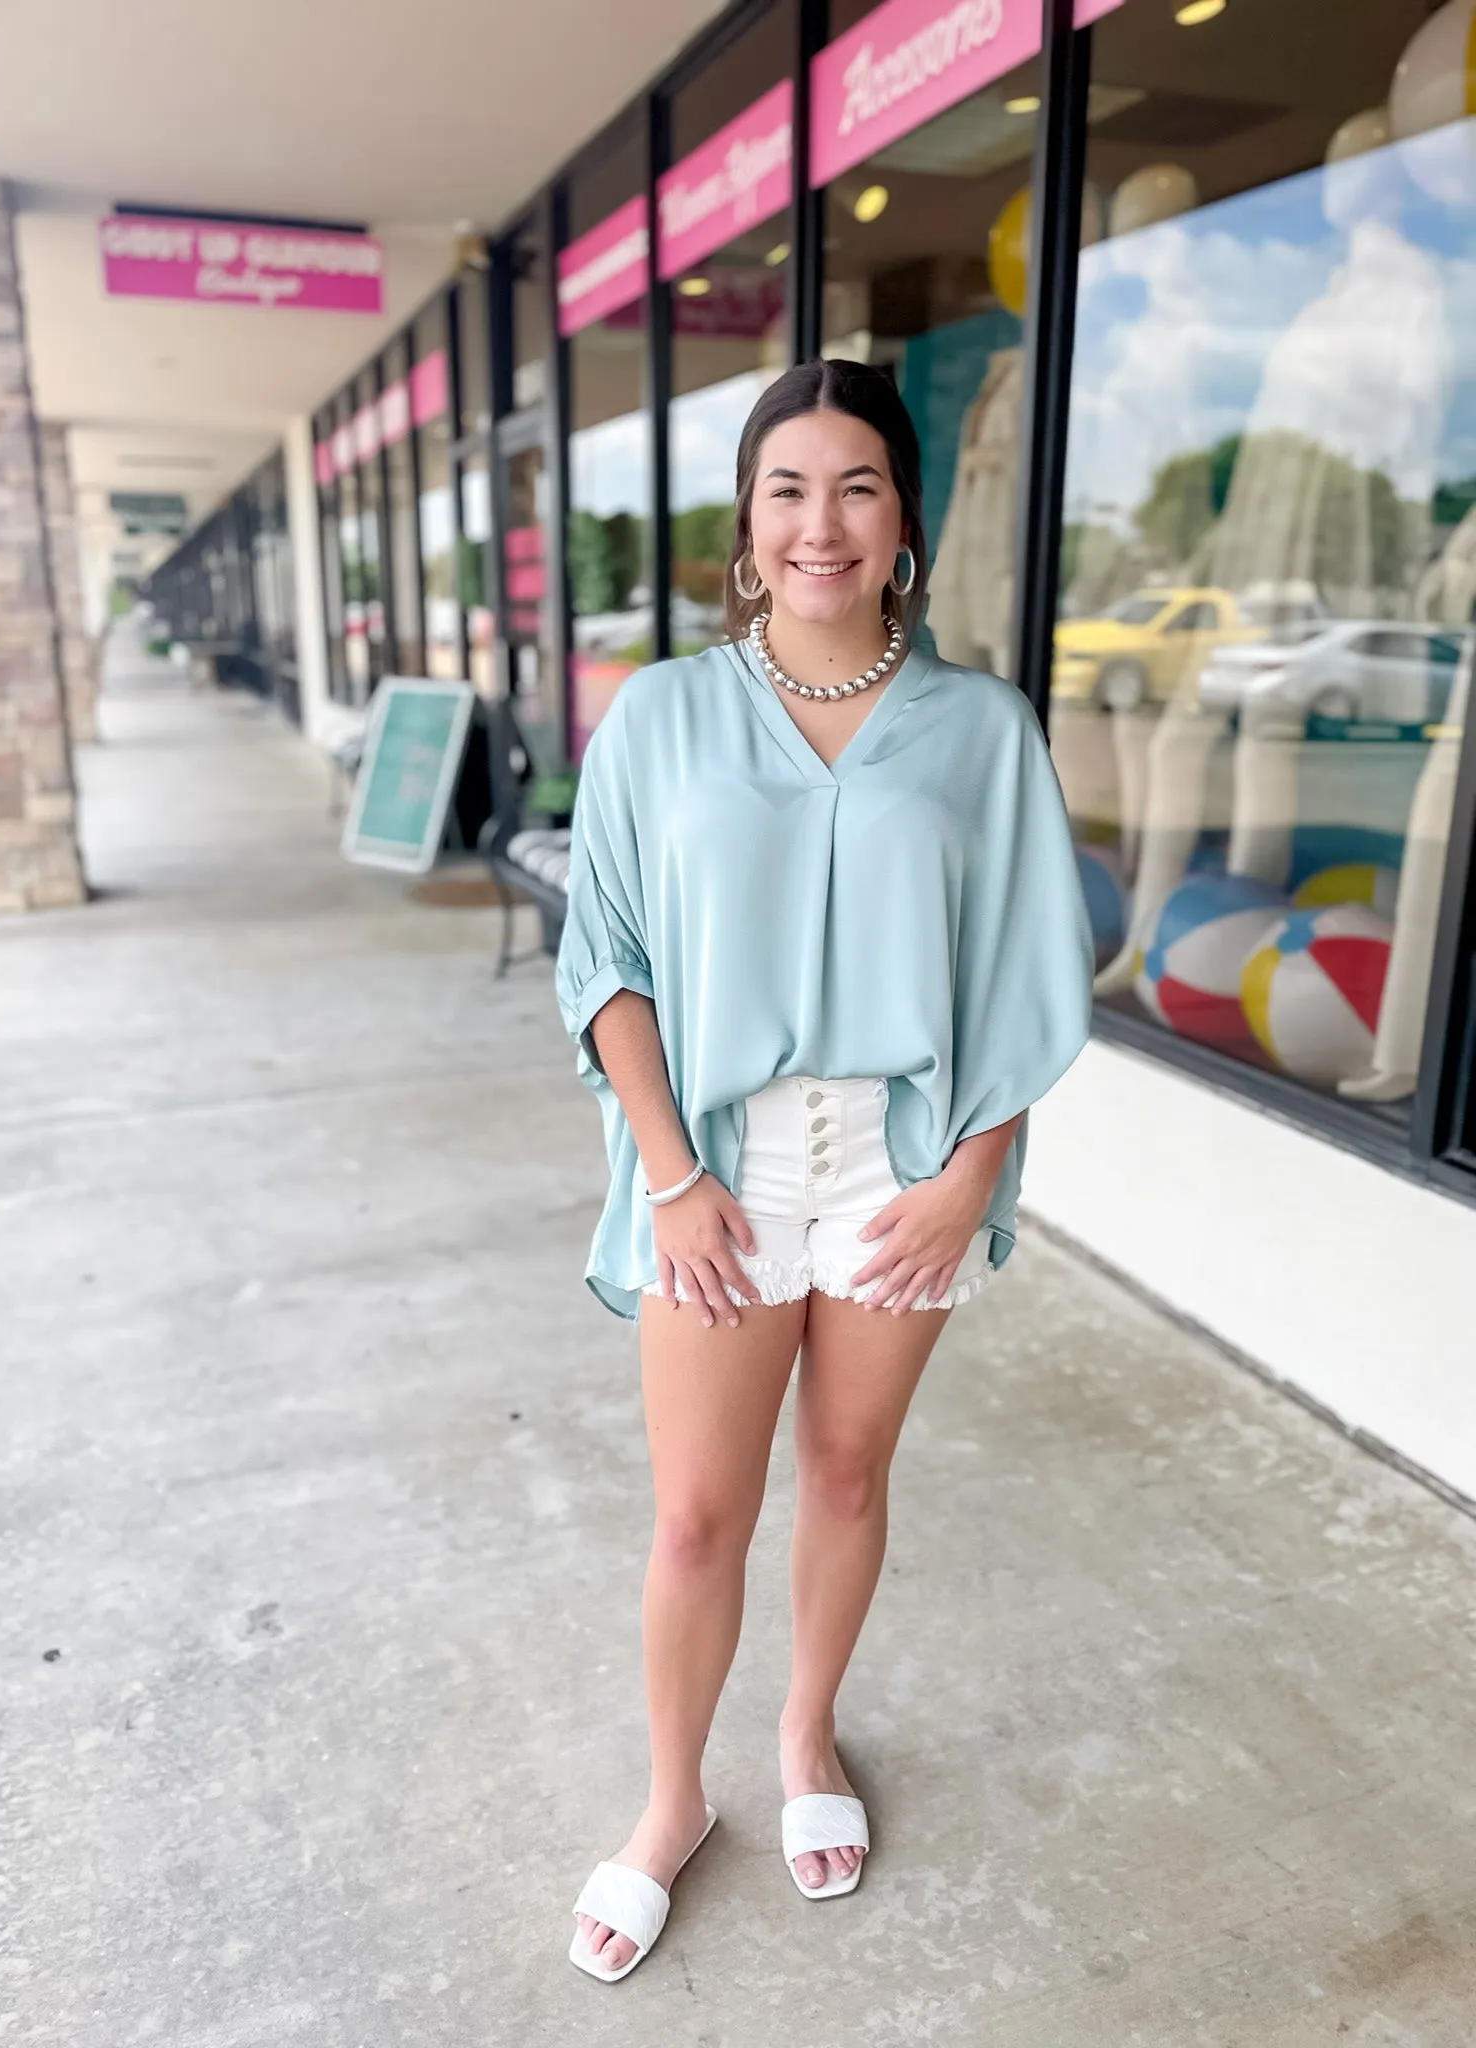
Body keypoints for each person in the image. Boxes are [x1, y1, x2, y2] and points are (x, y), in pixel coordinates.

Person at [554, 358, 1093, 1983]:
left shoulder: (983, 732)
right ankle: (670, 1806)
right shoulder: (660, 715)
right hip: (711, 1170)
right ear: (748, 522)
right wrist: (667, 1177)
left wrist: (968, 1173)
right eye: (789, 488)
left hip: (900, 1167)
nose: (821, 523)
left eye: (857, 486)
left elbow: (1024, 974)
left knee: (850, 1475)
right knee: (699, 1516)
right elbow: (610, 961)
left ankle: (805, 1741)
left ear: (904, 522)